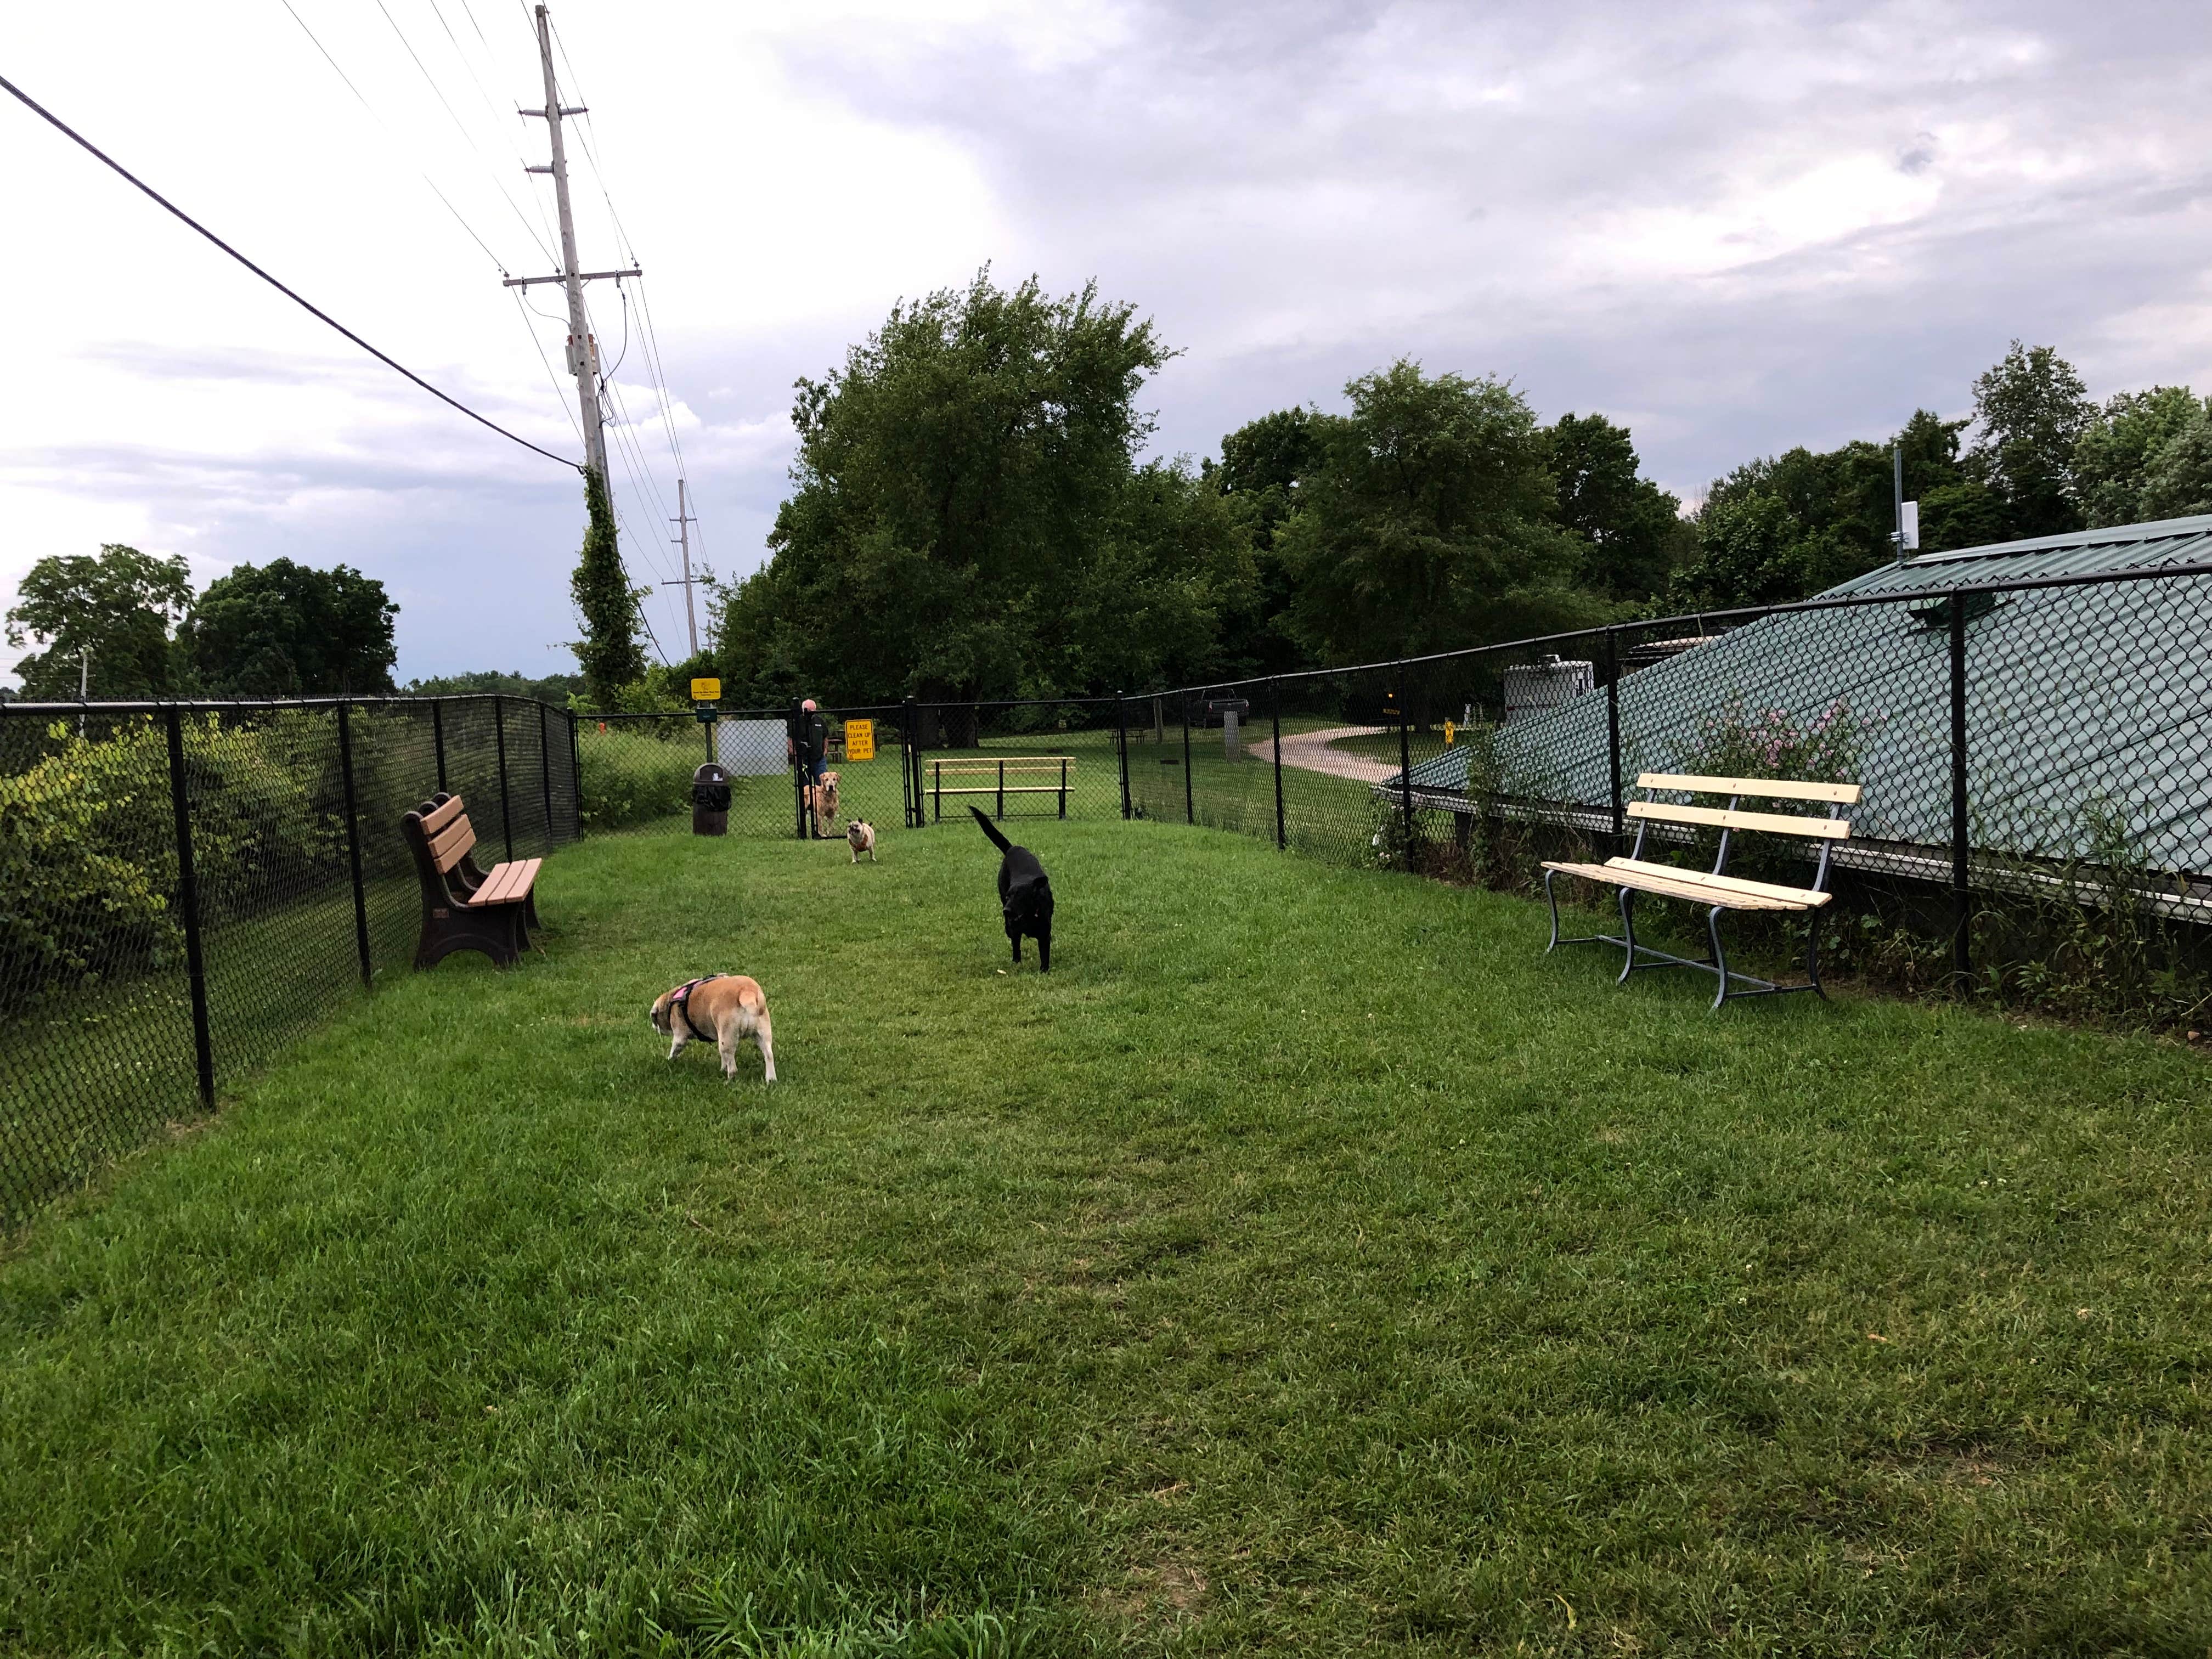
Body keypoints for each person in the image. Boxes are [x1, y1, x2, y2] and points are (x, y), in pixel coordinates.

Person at [789, 697, 830, 834]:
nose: (811, 714)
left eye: (813, 711)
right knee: (805, 788)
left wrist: (825, 751)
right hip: (804, 760)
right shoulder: (797, 722)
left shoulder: (820, 721)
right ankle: (806, 814)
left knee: (823, 785)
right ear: (803, 711)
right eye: (809, 712)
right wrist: (794, 754)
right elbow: (791, 739)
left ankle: (824, 810)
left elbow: (825, 737)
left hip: (819, 759)